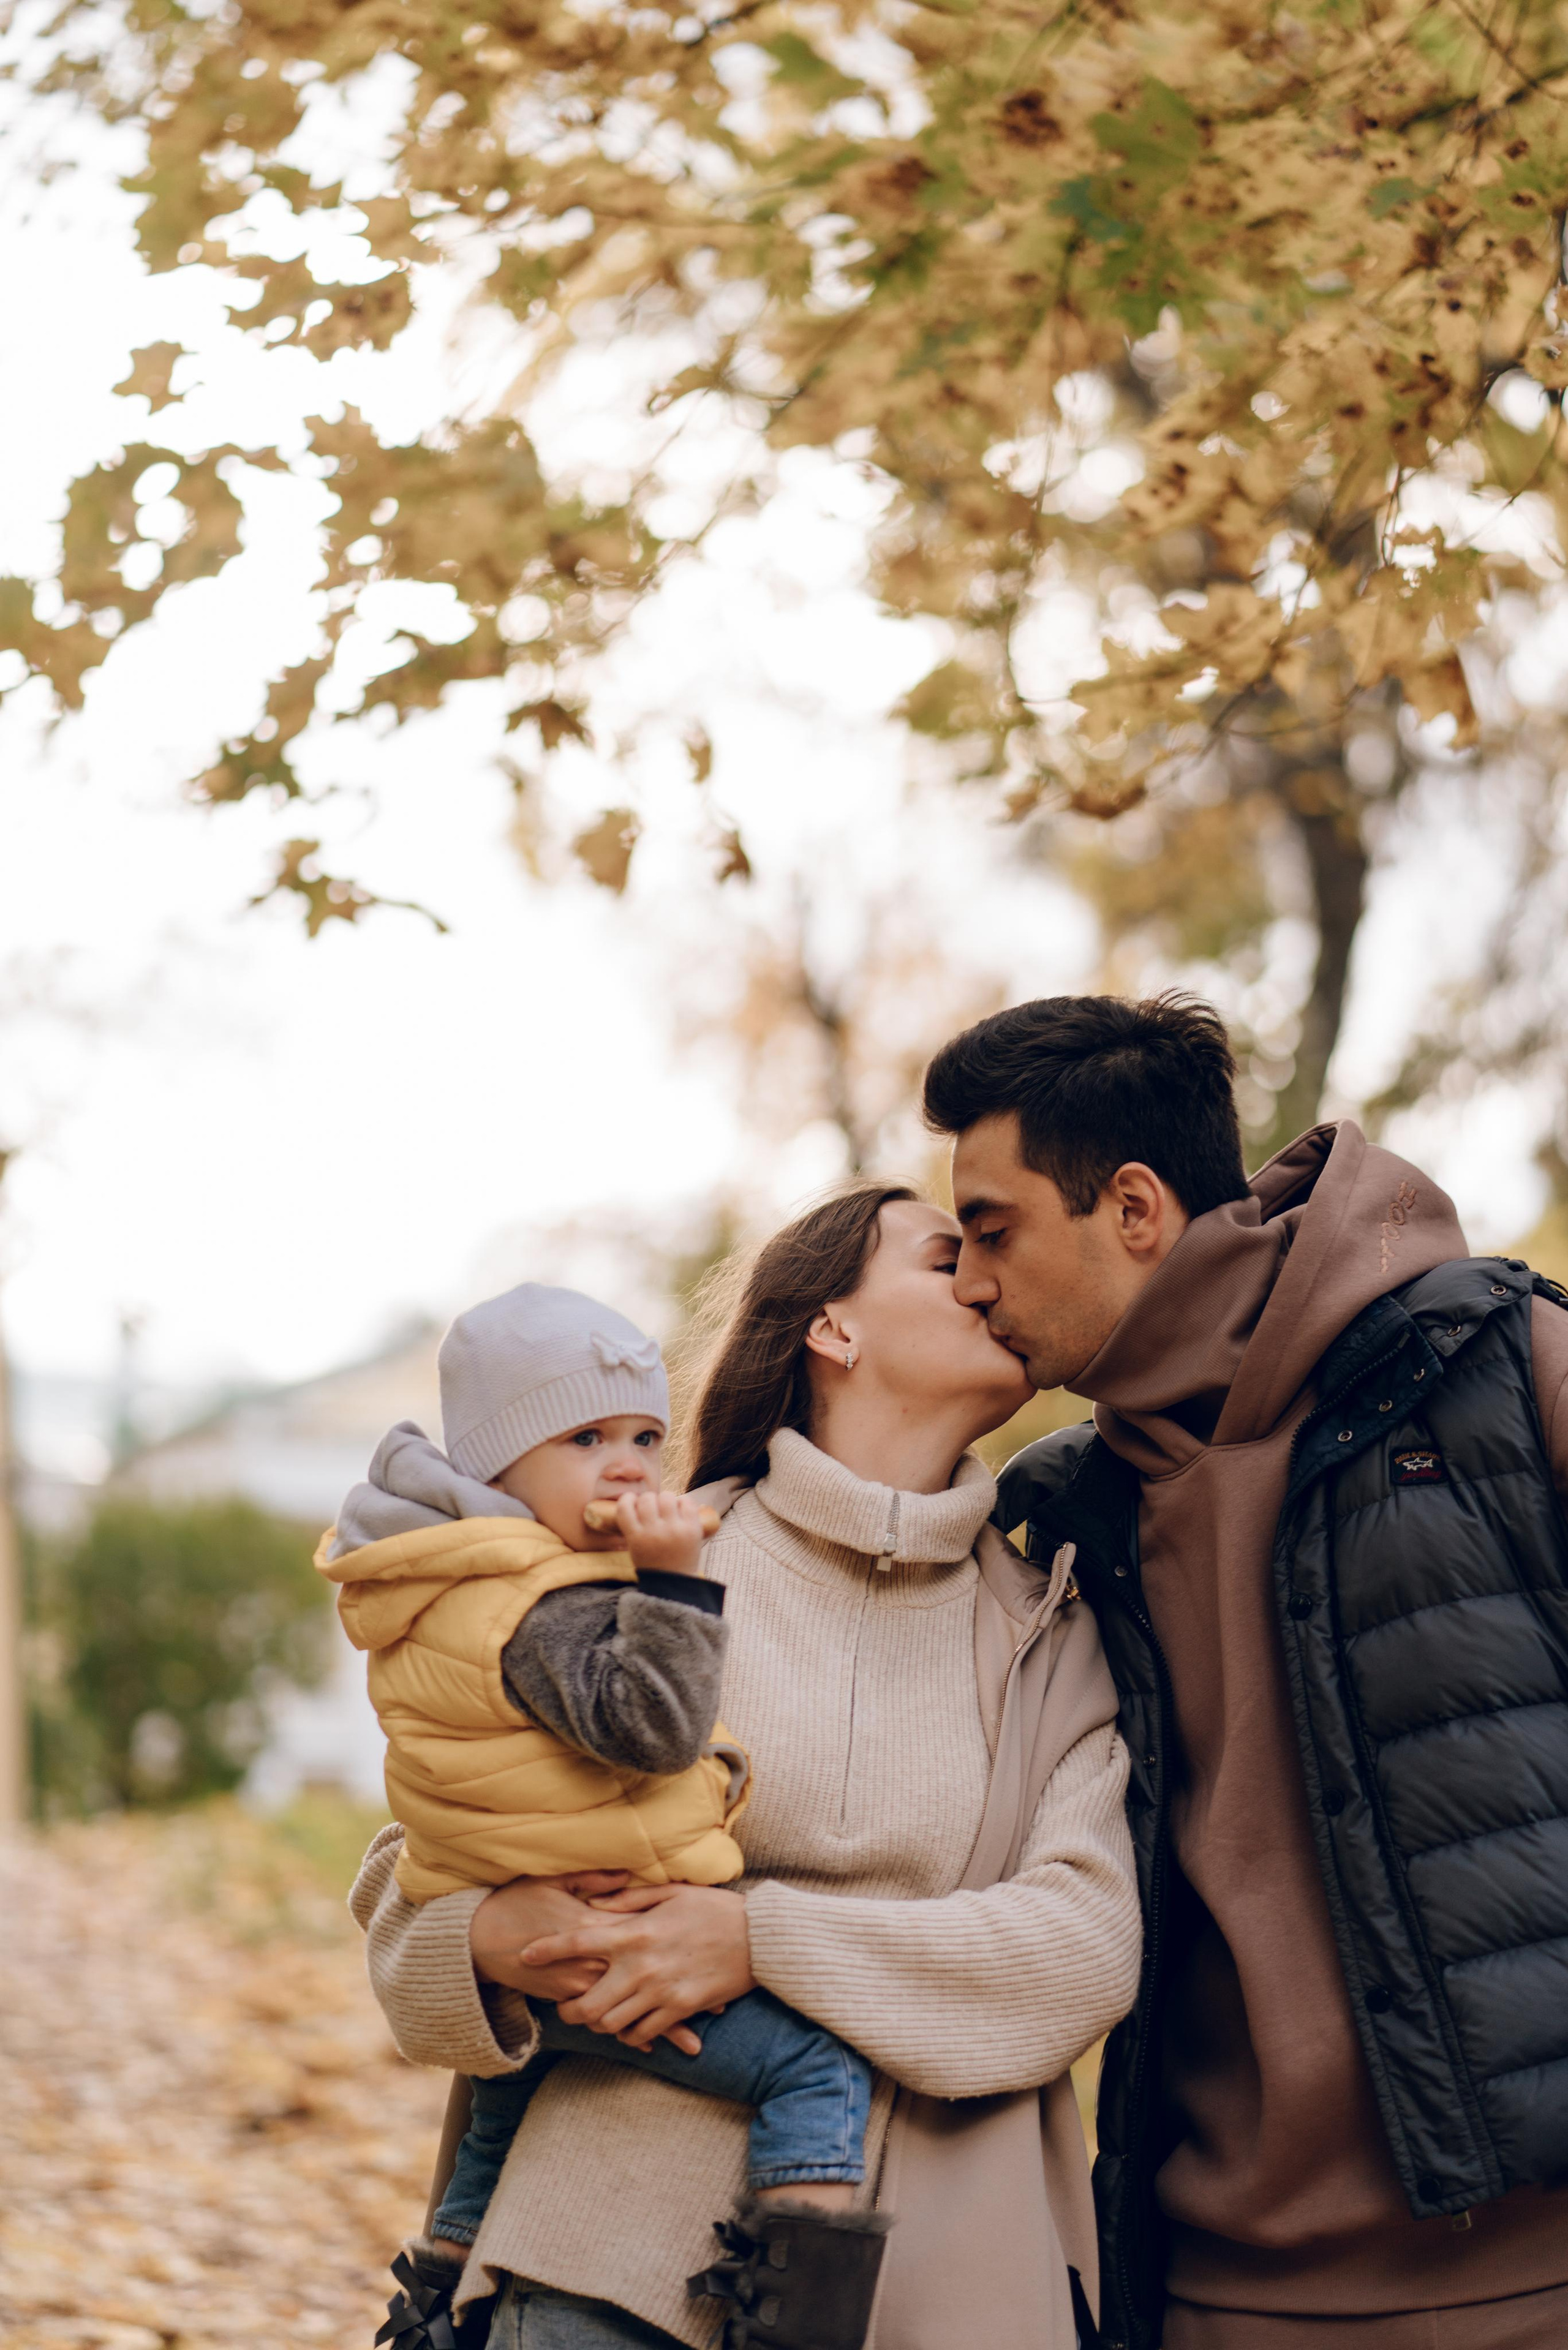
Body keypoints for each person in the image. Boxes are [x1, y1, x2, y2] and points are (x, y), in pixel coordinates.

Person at [349, 1186, 1142, 2349]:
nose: (987, 1277)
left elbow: (1083, 1949)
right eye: (945, 1255)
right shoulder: (637, 1562)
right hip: (600, 2266)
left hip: (954, 2287)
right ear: (835, 1328)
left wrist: (756, 1937)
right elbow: (412, 1869)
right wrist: (490, 1940)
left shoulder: (1053, 1633)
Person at [924, 992, 1568, 2350]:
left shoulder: (1492, 1371)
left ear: (1136, 1207)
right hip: (1211, 2291)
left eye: (992, 1230)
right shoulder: (1059, 1521)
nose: (967, 1280)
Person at [319, 1282, 889, 2350]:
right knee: (816, 2068)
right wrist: (674, 1582)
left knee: (501, 2102)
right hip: (605, 1936)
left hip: (534, 1933)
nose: (629, 1463)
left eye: (645, 1435)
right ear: (493, 1469)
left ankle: (436, 2293)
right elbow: (655, 1729)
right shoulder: (537, 1601)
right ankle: (793, 2322)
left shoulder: (442, 1579)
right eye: (585, 1437)